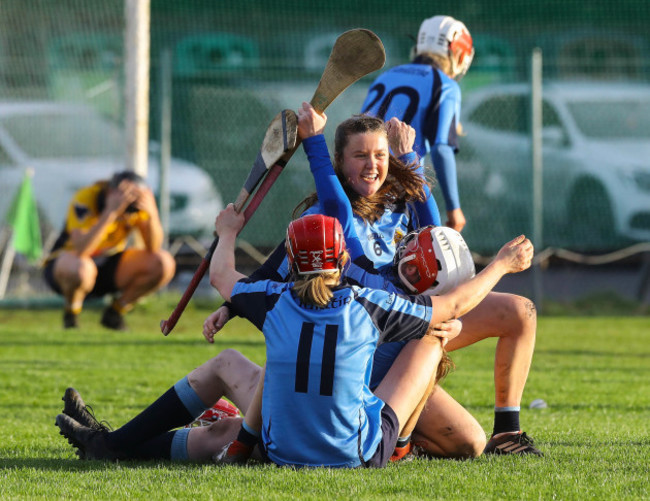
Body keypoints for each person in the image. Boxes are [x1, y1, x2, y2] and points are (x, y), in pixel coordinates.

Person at [55, 209, 533, 467]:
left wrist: (227, 231)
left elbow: (222, 275)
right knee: (436, 334)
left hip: (280, 450)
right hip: (356, 453)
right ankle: (403, 446)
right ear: (343, 261)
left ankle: (115, 443)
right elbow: (452, 305)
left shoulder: (273, 298)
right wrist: (502, 264)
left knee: (225, 371)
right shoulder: (370, 304)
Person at [207, 108, 542, 458]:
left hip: (410, 326)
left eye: (379, 155)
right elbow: (271, 272)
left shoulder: (400, 205)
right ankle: (395, 442)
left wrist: (407, 156)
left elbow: (434, 232)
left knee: (517, 314)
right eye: (360, 155)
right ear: (339, 161)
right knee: (451, 399)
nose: (372, 165)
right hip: (366, 346)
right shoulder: (325, 216)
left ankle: (506, 432)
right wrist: (230, 307)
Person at [361, 15, 475, 232]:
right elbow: (442, 149)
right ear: (459, 53)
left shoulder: (385, 76)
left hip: (359, 180)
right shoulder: (444, 85)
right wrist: (454, 209)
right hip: (398, 191)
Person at [43, 170, 176, 330]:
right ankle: (71, 315)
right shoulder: (87, 198)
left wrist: (152, 213)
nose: (127, 209)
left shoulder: (134, 207)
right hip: (69, 268)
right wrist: (110, 213)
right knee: (80, 268)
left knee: (163, 263)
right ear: (111, 192)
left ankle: (114, 313)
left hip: (108, 266)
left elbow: (153, 248)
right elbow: (81, 249)